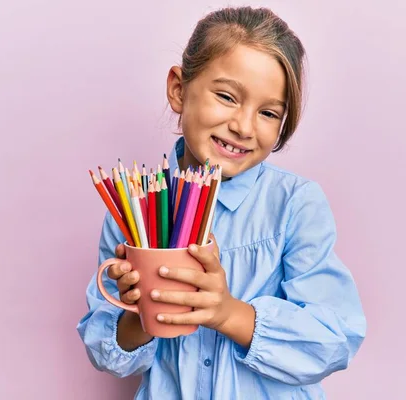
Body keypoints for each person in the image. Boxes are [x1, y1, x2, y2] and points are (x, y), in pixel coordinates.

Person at [77, 6, 366, 399]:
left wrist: (226, 313)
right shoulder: (136, 206)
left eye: (268, 112)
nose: (244, 127)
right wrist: (140, 312)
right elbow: (110, 355)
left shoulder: (295, 204)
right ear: (179, 89)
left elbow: (333, 340)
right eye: (227, 96)